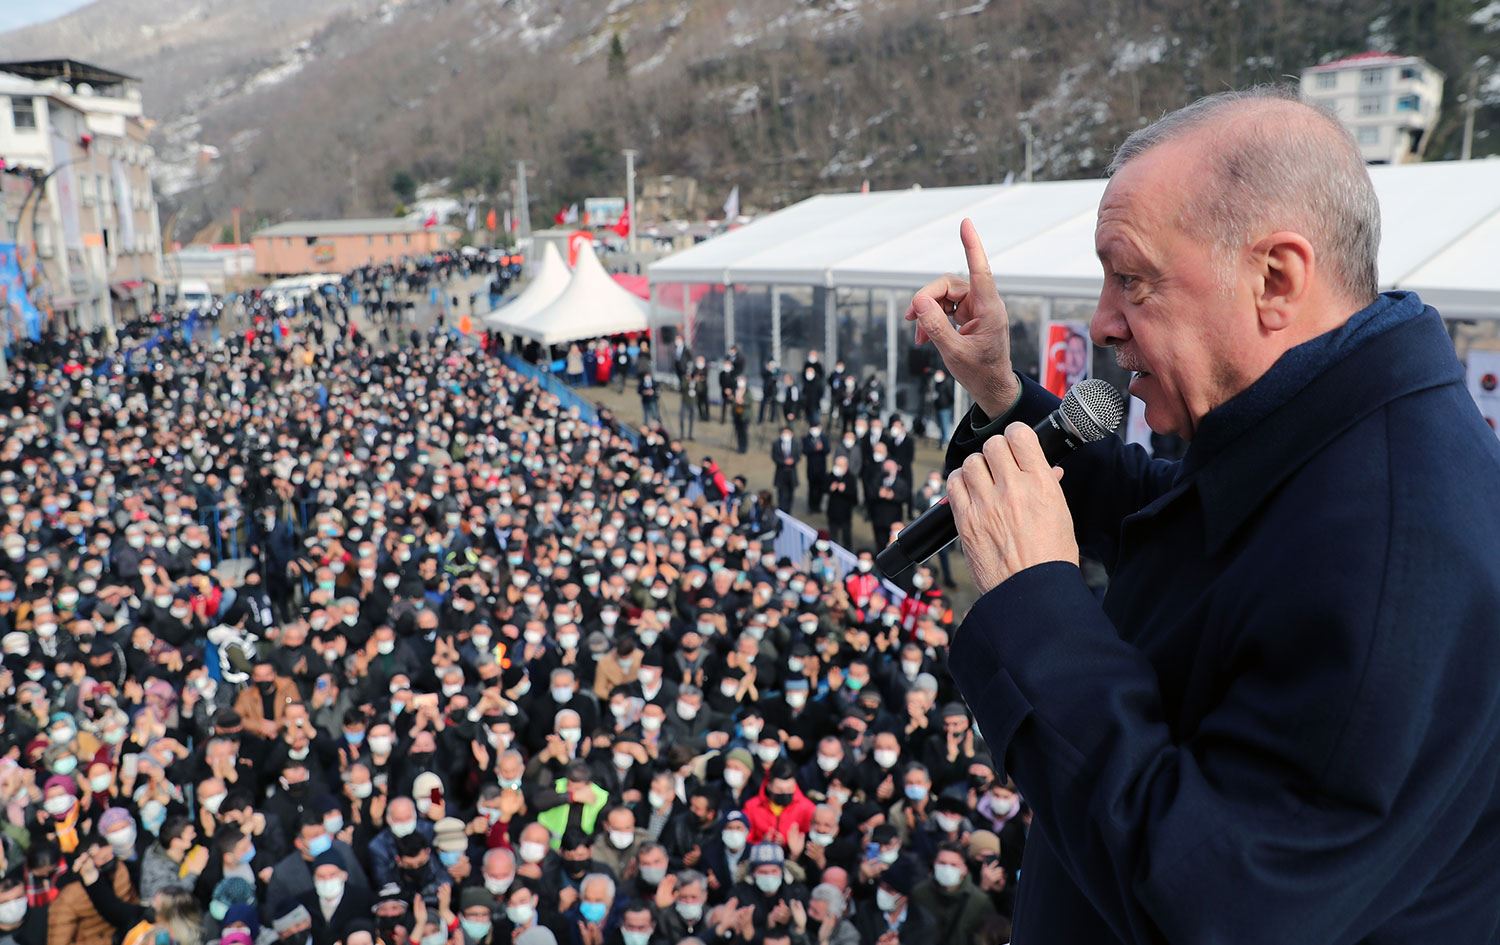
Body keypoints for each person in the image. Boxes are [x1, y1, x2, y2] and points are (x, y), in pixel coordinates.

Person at [907, 88, 1500, 942]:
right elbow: (1190, 525)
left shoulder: (1396, 565)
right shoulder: (1326, 434)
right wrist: (1004, 393)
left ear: (1274, 279)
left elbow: (1217, 906)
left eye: (1133, 279)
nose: (1104, 322)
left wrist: (1039, 603)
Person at [771, 428, 800, 513]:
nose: (786, 435)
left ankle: (788, 511)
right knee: (781, 493)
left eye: (788, 433)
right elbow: (774, 456)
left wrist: (793, 461)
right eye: (784, 433)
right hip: (781, 472)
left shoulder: (796, 443)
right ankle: (781, 510)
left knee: (790, 493)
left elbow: (798, 456)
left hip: (792, 473)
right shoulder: (776, 444)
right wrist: (783, 461)